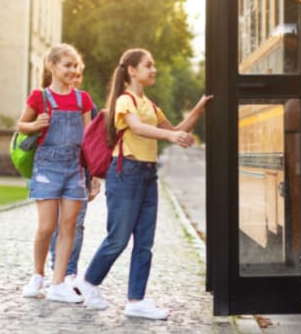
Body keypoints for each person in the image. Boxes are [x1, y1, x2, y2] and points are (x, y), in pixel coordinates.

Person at [76, 48, 212, 319]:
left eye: (154, 65)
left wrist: (198, 109)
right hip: (126, 172)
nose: (154, 70)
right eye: (148, 65)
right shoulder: (125, 102)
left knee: (145, 242)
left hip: (148, 175)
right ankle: (88, 282)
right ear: (132, 70)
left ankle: (136, 300)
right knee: (118, 238)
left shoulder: (150, 105)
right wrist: (170, 138)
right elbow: (137, 128)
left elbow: (175, 131)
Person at [17, 43, 97, 302]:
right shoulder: (39, 97)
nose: (73, 70)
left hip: (74, 168)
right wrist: (34, 124)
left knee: (68, 226)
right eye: (67, 65)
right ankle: (37, 275)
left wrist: (92, 174)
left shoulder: (82, 99)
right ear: (52, 66)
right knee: (46, 227)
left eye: (76, 66)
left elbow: (87, 139)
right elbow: (20, 126)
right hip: (47, 167)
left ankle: (58, 283)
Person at [47, 65, 100, 288]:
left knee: (75, 224)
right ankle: (55, 270)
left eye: (79, 76)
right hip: (52, 170)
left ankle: (69, 273)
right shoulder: (46, 100)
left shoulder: (89, 108)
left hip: (80, 172)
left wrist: (95, 177)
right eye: (72, 74)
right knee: (53, 224)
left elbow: (94, 144)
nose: (75, 79)